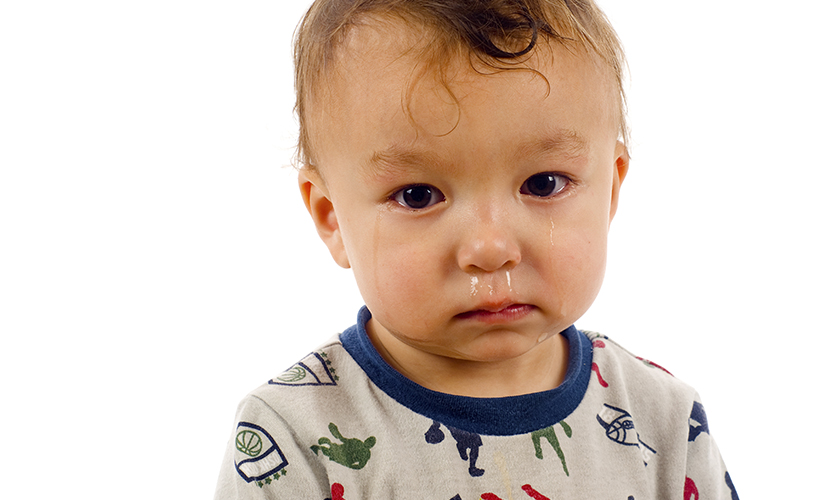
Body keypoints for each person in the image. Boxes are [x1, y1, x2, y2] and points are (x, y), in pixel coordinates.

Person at [214, 1, 738, 498]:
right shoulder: (292, 437)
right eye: (418, 196)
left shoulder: (665, 422)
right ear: (331, 217)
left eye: (544, 183)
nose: (490, 248)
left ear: (611, 191)